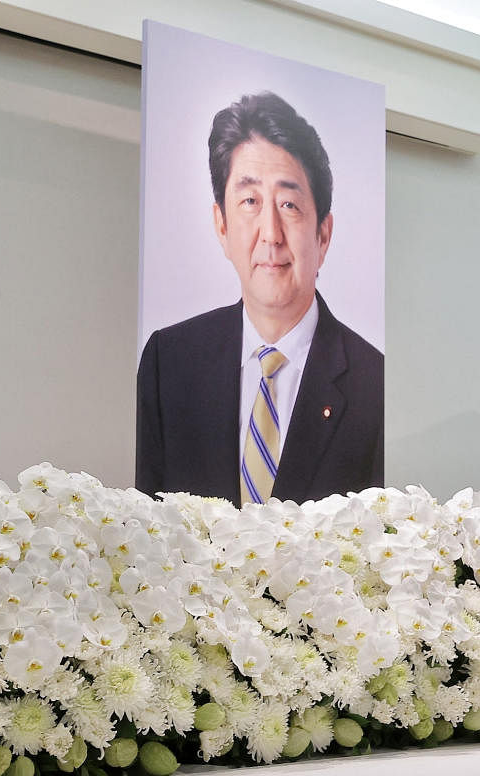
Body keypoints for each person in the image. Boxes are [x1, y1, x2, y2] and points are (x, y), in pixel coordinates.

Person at [136, 92, 383, 506]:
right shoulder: (170, 363)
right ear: (221, 225)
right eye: (250, 202)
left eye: (289, 204)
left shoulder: (373, 385)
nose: (271, 233)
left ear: (323, 235)